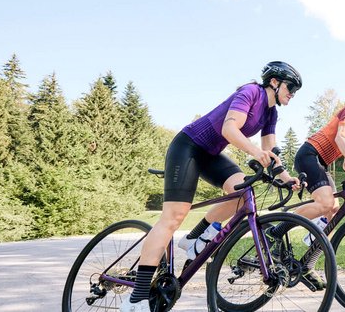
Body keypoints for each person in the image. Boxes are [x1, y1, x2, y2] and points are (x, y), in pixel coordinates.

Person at [121, 61, 304, 312]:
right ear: (274, 81)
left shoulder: (271, 113)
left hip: (211, 154)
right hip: (188, 147)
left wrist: (285, 177)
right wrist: (254, 152)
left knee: (242, 192)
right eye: (291, 87)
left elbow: (269, 151)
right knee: (173, 217)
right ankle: (136, 298)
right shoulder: (251, 92)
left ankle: (195, 238)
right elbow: (229, 128)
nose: (292, 93)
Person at [266, 87, 345, 291]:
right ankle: (275, 232)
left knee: (333, 209)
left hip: (321, 164)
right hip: (309, 155)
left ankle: (307, 265)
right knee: (325, 202)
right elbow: (339, 138)